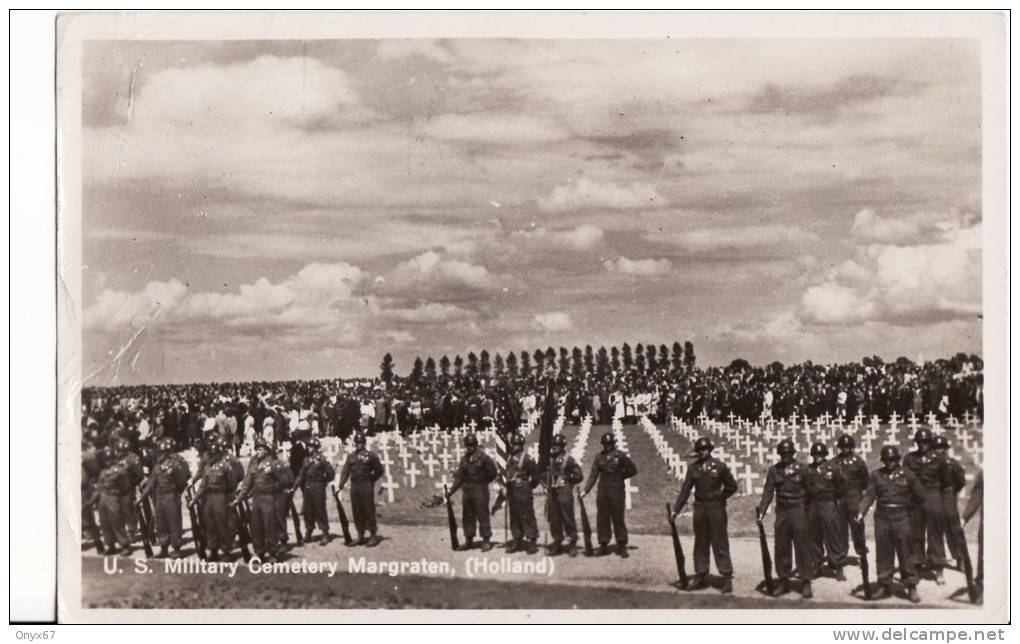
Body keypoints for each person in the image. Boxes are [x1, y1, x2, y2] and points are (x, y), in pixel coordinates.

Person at [857, 445, 925, 603]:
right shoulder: (876, 475)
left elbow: (920, 495)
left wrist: (908, 508)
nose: (890, 462)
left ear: (897, 459)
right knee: (883, 553)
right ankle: (884, 585)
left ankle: (911, 585)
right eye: (887, 460)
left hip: (901, 517)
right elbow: (869, 495)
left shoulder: (908, 474)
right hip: (882, 518)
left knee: (905, 552)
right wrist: (861, 512)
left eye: (893, 459)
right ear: (883, 460)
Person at [671, 436, 738, 593]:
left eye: (705, 449)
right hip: (700, 508)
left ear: (710, 450)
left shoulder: (720, 467)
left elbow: (732, 486)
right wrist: (676, 510)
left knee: (719, 541)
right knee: (700, 542)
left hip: (716, 508)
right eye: (700, 450)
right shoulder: (693, 469)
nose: (703, 452)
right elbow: (685, 490)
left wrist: (721, 497)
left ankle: (726, 576)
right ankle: (701, 574)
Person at [757, 438, 816, 598]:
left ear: (793, 453)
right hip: (782, 511)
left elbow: (812, 492)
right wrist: (762, 511)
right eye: (782, 454)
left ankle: (805, 581)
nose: (785, 456)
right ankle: (783, 580)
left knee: (802, 546)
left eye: (788, 453)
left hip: (798, 509)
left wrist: (808, 513)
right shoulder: (774, 471)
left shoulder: (803, 470)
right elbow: (768, 491)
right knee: (781, 546)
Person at [902, 428, 950, 584]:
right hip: (916, 500)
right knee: (916, 532)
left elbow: (947, 482)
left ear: (930, 443)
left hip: (933, 497)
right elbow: (906, 480)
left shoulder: (940, 459)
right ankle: (917, 564)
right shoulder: (909, 459)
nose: (922, 445)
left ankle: (938, 567)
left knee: (935, 533)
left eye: (925, 442)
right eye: (920, 442)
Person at [235, 438, 294, 562]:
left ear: (267, 450)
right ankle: (259, 552)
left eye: (260, 449)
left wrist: (274, 487)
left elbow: (286, 481)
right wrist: (240, 497)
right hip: (257, 498)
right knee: (256, 527)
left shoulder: (274, 463)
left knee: (270, 527)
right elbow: (248, 482)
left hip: (269, 498)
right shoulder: (254, 462)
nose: (258, 451)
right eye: (257, 448)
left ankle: (273, 553)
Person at [582, 432, 638, 558]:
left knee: (618, 516)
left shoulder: (620, 456)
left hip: (616, 489)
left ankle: (622, 544)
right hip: (603, 488)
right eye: (606, 444)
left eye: (610, 444)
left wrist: (620, 477)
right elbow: (593, 475)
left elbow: (632, 470)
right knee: (602, 517)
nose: (608, 446)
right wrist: (586, 490)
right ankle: (603, 544)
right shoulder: (599, 457)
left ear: (614, 444)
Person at [139, 437, 190, 558]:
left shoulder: (176, 465)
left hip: (171, 495)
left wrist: (176, 492)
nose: (159, 454)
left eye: (162, 452)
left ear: (167, 452)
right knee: (160, 522)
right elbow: (152, 482)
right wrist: (142, 497)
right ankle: (164, 547)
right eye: (159, 452)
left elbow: (182, 481)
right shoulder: (157, 466)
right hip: (159, 495)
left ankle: (176, 548)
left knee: (174, 521)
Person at [447, 432, 498, 551]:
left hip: (480, 489)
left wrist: (482, 482)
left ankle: (486, 540)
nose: (470, 447)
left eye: (472, 444)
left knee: (482, 514)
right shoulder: (465, 459)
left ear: (476, 444)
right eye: (468, 445)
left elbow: (493, 473)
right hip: (467, 490)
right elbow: (459, 477)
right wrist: (450, 491)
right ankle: (469, 539)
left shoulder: (484, 458)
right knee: (468, 515)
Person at [807, 441, 848, 580]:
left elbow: (841, 488)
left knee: (833, 536)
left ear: (825, 455)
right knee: (814, 536)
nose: (817, 456)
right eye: (815, 454)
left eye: (820, 454)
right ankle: (816, 564)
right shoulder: (808, 469)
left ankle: (838, 566)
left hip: (828, 503)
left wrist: (833, 500)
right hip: (813, 504)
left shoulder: (833, 468)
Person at [197, 437, 243, 561]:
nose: (212, 456)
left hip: (221, 497)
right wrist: (196, 498)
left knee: (222, 525)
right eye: (211, 454)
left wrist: (227, 496)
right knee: (210, 525)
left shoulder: (226, 466)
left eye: (215, 454)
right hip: (208, 498)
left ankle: (226, 551)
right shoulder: (207, 467)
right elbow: (203, 484)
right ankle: (213, 550)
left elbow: (232, 483)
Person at [337, 433, 384, 545]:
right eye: (357, 442)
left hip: (366, 485)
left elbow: (379, 470)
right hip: (355, 485)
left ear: (364, 443)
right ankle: (360, 534)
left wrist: (371, 479)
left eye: (361, 442)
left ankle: (373, 534)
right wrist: (341, 485)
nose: (359, 444)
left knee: (368, 508)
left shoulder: (370, 456)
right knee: (356, 509)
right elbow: (345, 471)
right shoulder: (351, 456)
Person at [541, 433, 583, 556]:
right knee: (554, 518)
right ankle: (557, 541)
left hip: (564, 492)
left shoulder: (568, 459)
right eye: (554, 445)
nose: (555, 447)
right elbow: (542, 474)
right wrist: (544, 485)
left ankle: (572, 542)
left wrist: (569, 479)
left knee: (567, 517)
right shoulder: (548, 460)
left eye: (558, 445)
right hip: (552, 492)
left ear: (563, 446)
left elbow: (579, 475)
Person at [833, 434, 870, 572]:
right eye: (843, 447)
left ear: (851, 447)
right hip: (840, 499)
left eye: (847, 446)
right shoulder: (834, 462)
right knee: (840, 529)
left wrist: (860, 497)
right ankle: (841, 556)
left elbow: (865, 481)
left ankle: (862, 554)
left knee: (857, 527)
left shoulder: (858, 462)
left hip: (854, 497)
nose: (845, 449)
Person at [291, 437, 336, 545]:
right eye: (309, 446)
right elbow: (301, 475)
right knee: (308, 509)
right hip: (307, 486)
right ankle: (309, 531)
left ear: (316, 448)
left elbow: (331, 473)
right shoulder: (306, 460)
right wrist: (294, 487)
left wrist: (323, 481)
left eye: (311, 447)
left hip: (318, 485)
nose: (309, 448)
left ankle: (325, 532)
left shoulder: (322, 459)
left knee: (319, 508)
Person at [933, 434, 967, 566]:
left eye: (941, 448)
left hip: (948, 496)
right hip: (934, 497)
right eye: (935, 448)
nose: (938, 451)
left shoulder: (952, 464)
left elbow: (960, 481)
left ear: (945, 449)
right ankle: (938, 561)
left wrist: (951, 492)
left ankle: (960, 558)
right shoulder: (930, 465)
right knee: (935, 530)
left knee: (953, 529)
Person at [93, 446, 133, 555]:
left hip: (114, 497)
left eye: (109, 459)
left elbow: (125, 486)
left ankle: (125, 545)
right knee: (104, 522)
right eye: (106, 459)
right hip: (103, 498)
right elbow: (99, 486)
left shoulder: (120, 470)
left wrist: (120, 498)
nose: (107, 461)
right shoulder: (103, 472)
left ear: (114, 459)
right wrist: (93, 501)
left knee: (116, 521)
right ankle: (110, 545)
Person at [505, 432, 539, 554]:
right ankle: (517, 539)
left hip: (523, 489)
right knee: (514, 515)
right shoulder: (509, 457)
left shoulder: (527, 458)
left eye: (517, 444)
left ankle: (532, 541)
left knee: (527, 514)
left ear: (521, 445)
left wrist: (528, 487)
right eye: (513, 444)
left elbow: (536, 476)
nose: (514, 446)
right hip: (512, 490)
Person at [962, 470, 983, 594]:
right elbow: (976, 497)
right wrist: (964, 517)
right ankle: (981, 585)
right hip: (990, 524)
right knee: (985, 555)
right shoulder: (986, 474)